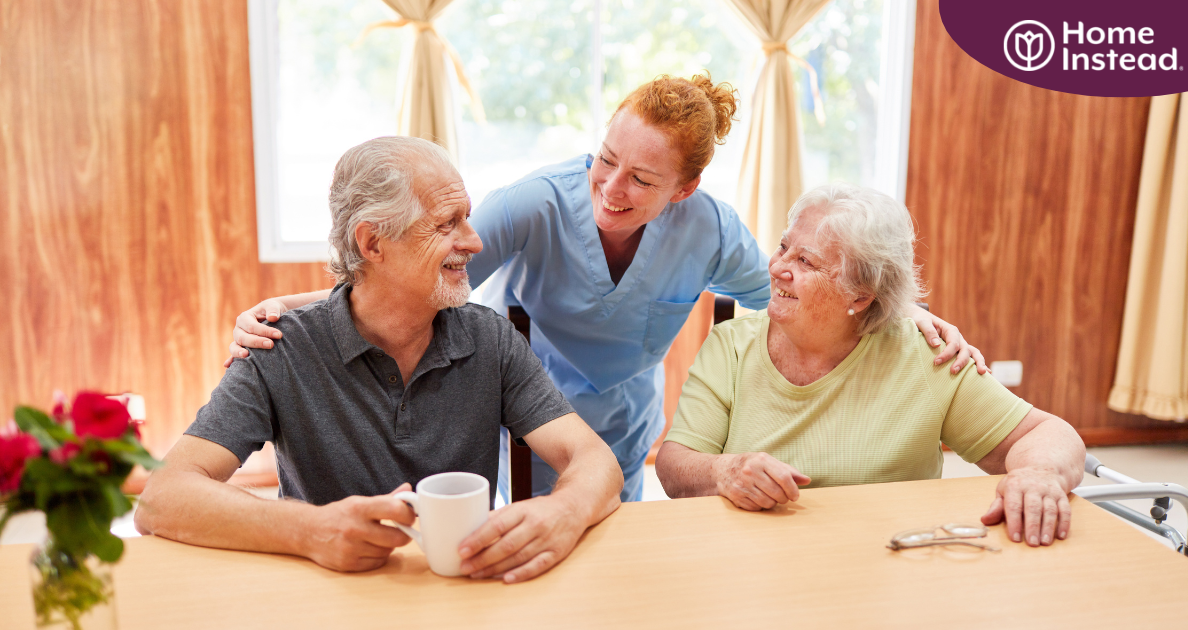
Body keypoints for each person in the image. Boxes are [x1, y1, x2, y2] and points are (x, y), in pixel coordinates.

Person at [224, 74, 986, 503]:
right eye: (604, 159)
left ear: (684, 190)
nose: (611, 188)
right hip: (521, 398)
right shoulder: (534, 203)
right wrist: (290, 310)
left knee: (606, 534)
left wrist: (909, 316)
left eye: (642, 179)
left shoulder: (711, 229)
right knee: (513, 524)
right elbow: (417, 273)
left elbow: (798, 288)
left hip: (622, 417)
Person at [135, 137, 623, 582]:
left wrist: (564, 512)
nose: (474, 241)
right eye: (446, 223)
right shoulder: (278, 348)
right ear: (372, 243)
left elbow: (595, 460)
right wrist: (309, 529)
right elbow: (162, 498)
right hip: (325, 595)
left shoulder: (489, 339)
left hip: (462, 590)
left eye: (467, 218)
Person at [655, 184, 1085, 547]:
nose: (778, 268)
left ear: (859, 297)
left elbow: (1046, 433)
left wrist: (1038, 474)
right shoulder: (731, 347)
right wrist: (723, 471)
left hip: (889, 564)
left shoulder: (924, 355)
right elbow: (675, 466)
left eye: (806, 261)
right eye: (784, 247)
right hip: (753, 560)